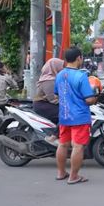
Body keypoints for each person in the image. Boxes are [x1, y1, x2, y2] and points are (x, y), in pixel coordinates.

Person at [54, 47, 97, 185]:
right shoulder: (81, 76)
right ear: (79, 58)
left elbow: (57, 94)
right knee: (78, 146)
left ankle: (61, 173)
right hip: (79, 117)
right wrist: (96, 97)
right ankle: (74, 176)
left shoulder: (60, 74)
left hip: (64, 116)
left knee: (63, 144)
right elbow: (89, 99)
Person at [33, 58, 64, 123]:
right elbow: (53, 99)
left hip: (48, 103)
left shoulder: (54, 78)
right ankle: (56, 133)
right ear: (55, 67)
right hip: (43, 105)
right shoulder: (48, 80)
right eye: (61, 66)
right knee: (66, 114)